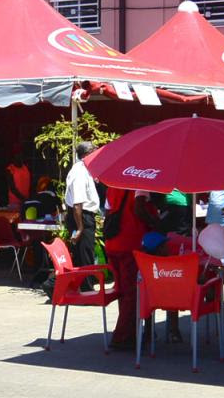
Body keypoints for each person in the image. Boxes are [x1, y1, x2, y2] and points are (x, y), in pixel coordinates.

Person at [104, 187, 160, 350]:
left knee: (123, 291)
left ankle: (128, 331)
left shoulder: (113, 185)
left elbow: (108, 211)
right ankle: (123, 336)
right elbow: (139, 208)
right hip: (131, 242)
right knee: (132, 293)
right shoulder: (140, 184)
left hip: (113, 243)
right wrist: (155, 222)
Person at [64, 141, 101, 270]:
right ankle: (86, 288)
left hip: (83, 216)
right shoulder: (79, 172)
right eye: (93, 151)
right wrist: (80, 228)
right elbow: (77, 204)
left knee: (83, 255)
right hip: (81, 218)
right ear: (86, 155)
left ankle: (84, 287)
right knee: (85, 257)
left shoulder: (86, 170)